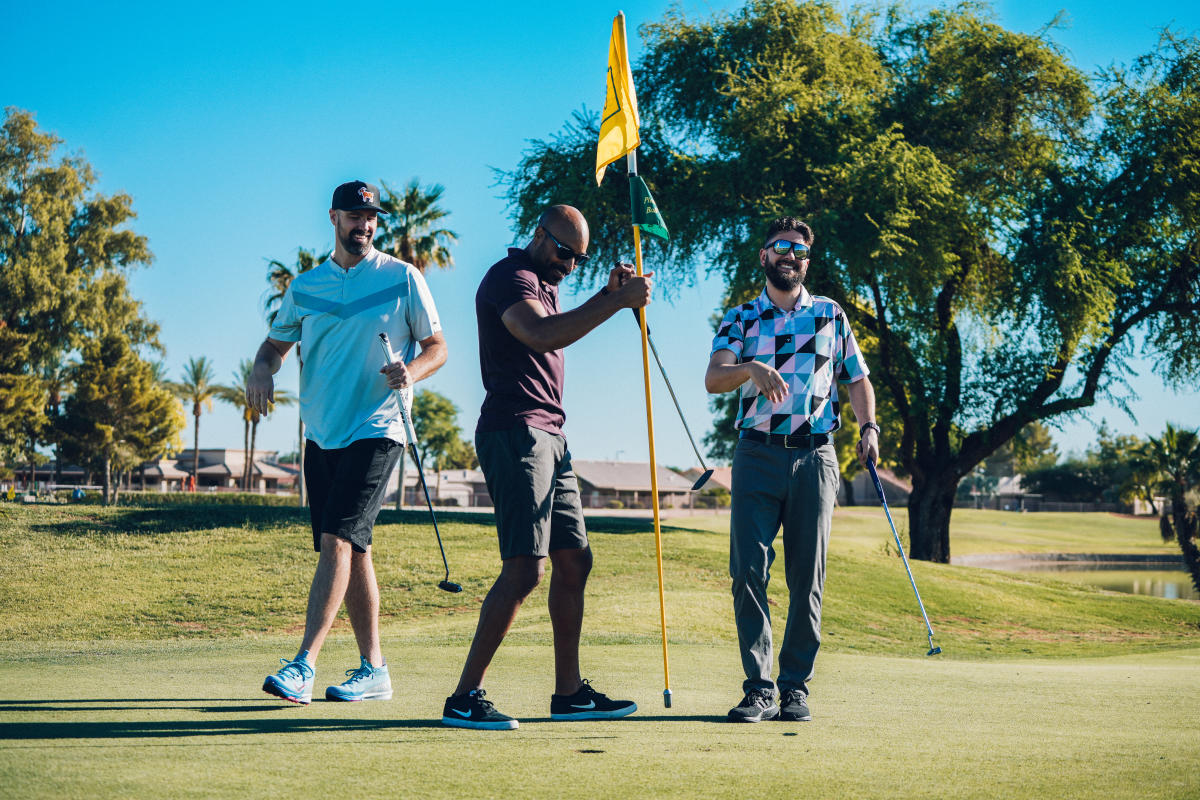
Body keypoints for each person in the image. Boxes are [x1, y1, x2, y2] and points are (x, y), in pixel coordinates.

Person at [441, 204, 650, 730]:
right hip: (514, 430)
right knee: (526, 568)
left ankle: (570, 693)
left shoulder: (546, 278)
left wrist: (608, 294)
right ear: (539, 236)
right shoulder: (508, 278)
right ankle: (464, 697)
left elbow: (558, 320)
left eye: (578, 260)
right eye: (563, 253)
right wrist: (614, 301)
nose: (569, 266)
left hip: (552, 435)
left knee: (575, 560)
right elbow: (541, 334)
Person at [248, 180, 447, 705]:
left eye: (372, 218)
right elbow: (273, 347)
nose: (365, 225)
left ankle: (302, 666)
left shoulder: (402, 278)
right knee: (353, 551)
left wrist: (412, 371)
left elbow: (438, 347)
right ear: (334, 218)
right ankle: (374, 669)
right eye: (356, 217)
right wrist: (261, 371)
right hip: (323, 435)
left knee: (338, 539)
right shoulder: (306, 286)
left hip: (379, 427)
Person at [704, 216, 879, 723]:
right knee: (748, 572)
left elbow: (858, 380)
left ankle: (794, 687)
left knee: (808, 576)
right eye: (782, 247)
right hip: (757, 454)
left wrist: (869, 428)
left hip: (816, 457)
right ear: (764, 256)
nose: (791, 256)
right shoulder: (740, 318)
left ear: (806, 261)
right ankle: (758, 688)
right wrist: (751, 369)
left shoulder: (830, 315)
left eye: (800, 251)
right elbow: (715, 378)